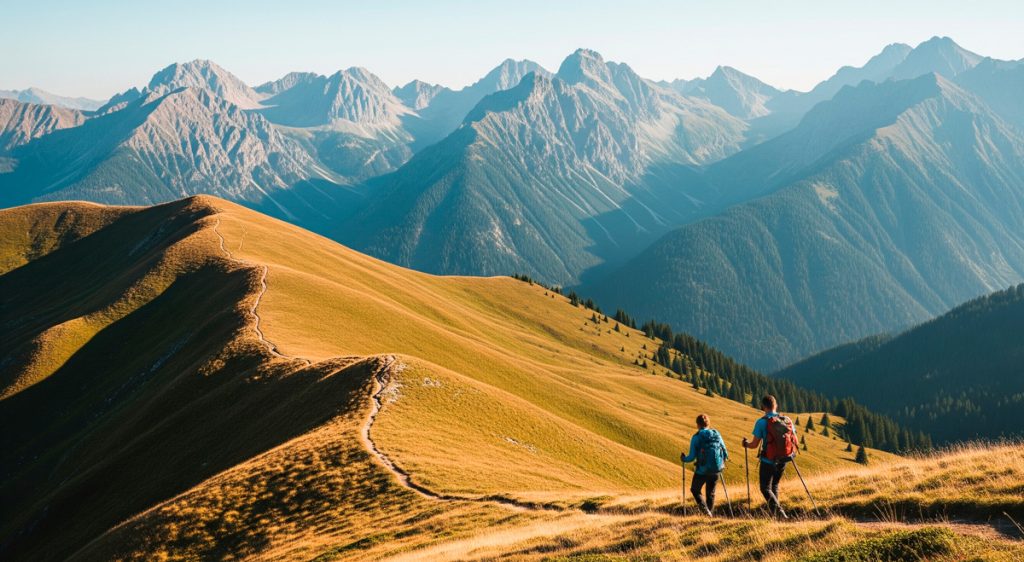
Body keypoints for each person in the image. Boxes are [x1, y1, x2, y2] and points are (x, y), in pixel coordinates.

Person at [742, 395, 794, 519]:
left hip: (768, 460)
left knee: (765, 488)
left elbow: (754, 445)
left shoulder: (762, 422)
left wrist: (745, 444)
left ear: (763, 407)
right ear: (776, 405)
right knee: (774, 485)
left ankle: (780, 514)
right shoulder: (786, 419)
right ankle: (776, 515)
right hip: (784, 458)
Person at [680, 413, 727, 516]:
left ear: (698, 424)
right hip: (716, 469)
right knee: (710, 494)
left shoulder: (697, 437)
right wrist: (721, 463)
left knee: (695, 489)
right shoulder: (716, 434)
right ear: (708, 423)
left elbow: (691, 457)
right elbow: (725, 452)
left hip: (702, 470)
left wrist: (684, 459)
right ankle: (710, 515)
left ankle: (706, 513)